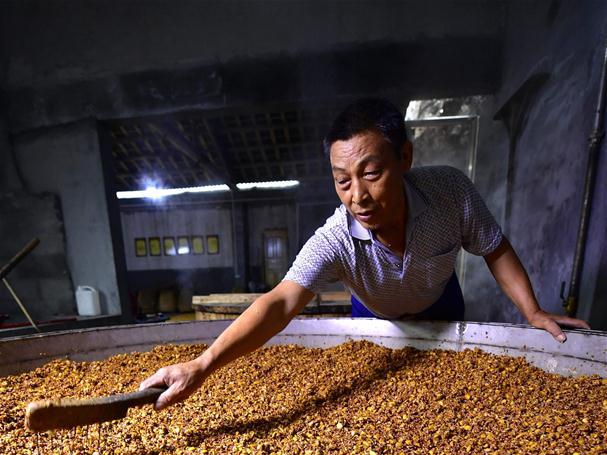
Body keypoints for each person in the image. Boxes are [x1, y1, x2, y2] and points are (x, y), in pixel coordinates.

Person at [140, 98, 590, 409]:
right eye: (342, 181)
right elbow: (279, 302)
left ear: (405, 158)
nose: (358, 196)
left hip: (442, 305)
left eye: (371, 172)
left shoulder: (450, 191)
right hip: (373, 317)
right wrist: (203, 364)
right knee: (379, 396)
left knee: (448, 390)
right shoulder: (333, 239)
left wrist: (531, 311)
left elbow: (494, 247)